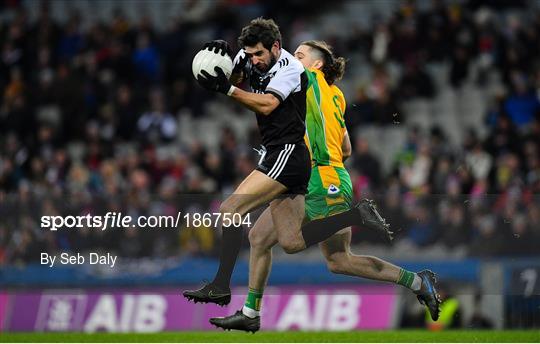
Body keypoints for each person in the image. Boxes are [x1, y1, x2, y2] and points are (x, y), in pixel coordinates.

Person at [208, 41, 441, 332]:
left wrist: (232, 60)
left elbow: (262, 75)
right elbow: (346, 148)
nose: (293, 58)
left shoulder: (307, 79)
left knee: (307, 249)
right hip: (323, 174)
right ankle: (251, 312)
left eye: (300, 55)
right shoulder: (337, 96)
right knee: (264, 239)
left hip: (320, 177)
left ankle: (361, 221)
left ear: (317, 65)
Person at [184, 18, 390, 306]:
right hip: (285, 156)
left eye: (259, 54)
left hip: (287, 153)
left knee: (231, 208)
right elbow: (234, 76)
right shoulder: (250, 56)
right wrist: (222, 58)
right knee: (291, 242)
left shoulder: (291, 69)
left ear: (276, 47)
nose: (254, 60)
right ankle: (356, 216)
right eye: (250, 54)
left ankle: (220, 285)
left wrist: (227, 90)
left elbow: (268, 103)